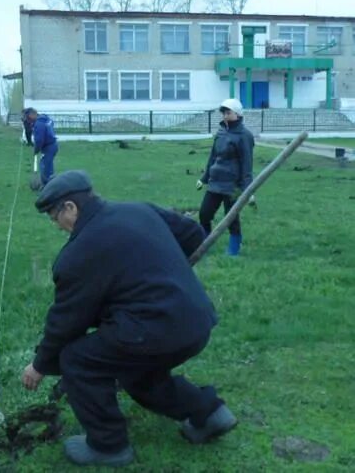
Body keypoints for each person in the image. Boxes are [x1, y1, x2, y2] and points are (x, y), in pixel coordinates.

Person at [21, 170, 236, 467]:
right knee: (137, 374)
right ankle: (209, 414)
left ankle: (108, 446)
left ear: (70, 207)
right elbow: (193, 235)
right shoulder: (139, 209)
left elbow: (66, 323)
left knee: (77, 359)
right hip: (196, 322)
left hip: (155, 331)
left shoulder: (77, 255)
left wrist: (40, 364)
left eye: (53, 217)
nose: (56, 226)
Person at [196, 98, 255, 257]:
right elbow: (213, 158)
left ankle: (235, 246)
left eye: (228, 112)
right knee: (204, 214)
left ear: (238, 114)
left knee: (231, 217)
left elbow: (247, 164)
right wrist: (204, 178)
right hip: (215, 182)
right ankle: (205, 242)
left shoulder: (245, 136)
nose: (225, 115)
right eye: (223, 112)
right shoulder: (221, 132)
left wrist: (248, 190)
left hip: (232, 185)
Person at [25, 108, 58, 185]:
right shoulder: (46, 118)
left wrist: (36, 150)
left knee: (44, 167)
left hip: (48, 147)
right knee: (48, 166)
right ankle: (50, 184)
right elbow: (51, 125)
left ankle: (47, 187)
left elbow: (39, 140)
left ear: (32, 114)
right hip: (53, 145)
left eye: (28, 117)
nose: (28, 120)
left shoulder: (39, 124)